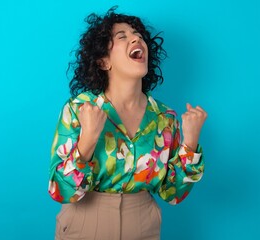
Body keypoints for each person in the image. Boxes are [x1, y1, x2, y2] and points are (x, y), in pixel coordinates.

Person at [48, 6, 207, 240]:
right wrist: (88, 141)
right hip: (86, 221)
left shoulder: (165, 118)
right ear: (103, 62)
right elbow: (60, 191)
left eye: (139, 36)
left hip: (143, 223)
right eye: (122, 36)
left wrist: (191, 145)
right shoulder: (79, 109)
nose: (136, 38)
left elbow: (172, 194)